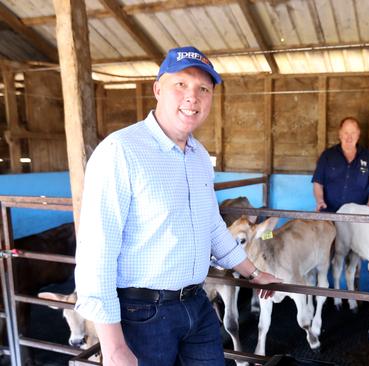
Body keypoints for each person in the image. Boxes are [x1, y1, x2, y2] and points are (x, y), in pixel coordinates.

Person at [74, 46, 281, 366]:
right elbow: (97, 249)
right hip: (140, 314)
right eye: (180, 84)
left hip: (196, 304)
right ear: (158, 89)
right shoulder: (121, 150)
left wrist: (253, 272)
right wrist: (113, 346)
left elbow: (212, 225)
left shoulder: (199, 157)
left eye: (203, 89)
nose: (192, 97)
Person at [312, 117, 369, 212]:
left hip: (357, 216)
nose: (349, 137)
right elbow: (318, 183)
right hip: (329, 212)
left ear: (358, 134)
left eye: (353, 133)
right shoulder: (327, 156)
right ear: (340, 134)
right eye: (346, 133)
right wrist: (320, 201)